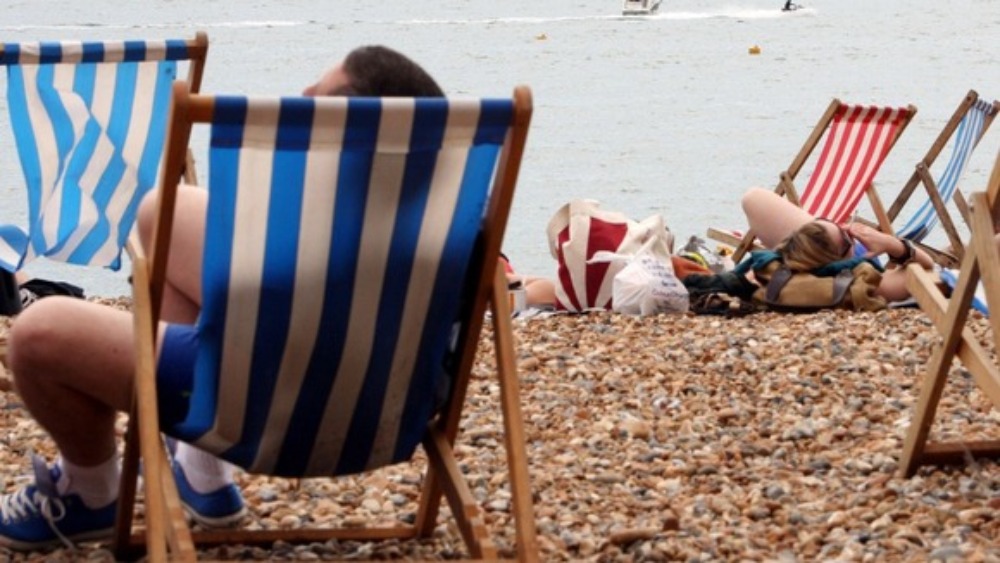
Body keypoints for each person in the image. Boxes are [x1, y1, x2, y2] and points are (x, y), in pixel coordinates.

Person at [0, 45, 445, 551]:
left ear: (352, 131)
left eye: (317, 95)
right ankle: (202, 473)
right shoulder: (444, 222)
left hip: (264, 409)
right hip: (385, 414)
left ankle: (88, 492)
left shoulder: (307, 231)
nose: (302, 95)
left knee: (38, 334)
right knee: (164, 212)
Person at [740, 187, 935, 302]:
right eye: (847, 237)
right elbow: (927, 269)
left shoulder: (773, 267)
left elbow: (752, 197)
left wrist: (795, 242)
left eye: (824, 221)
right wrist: (891, 244)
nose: (850, 229)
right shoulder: (865, 282)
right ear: (838, 264)